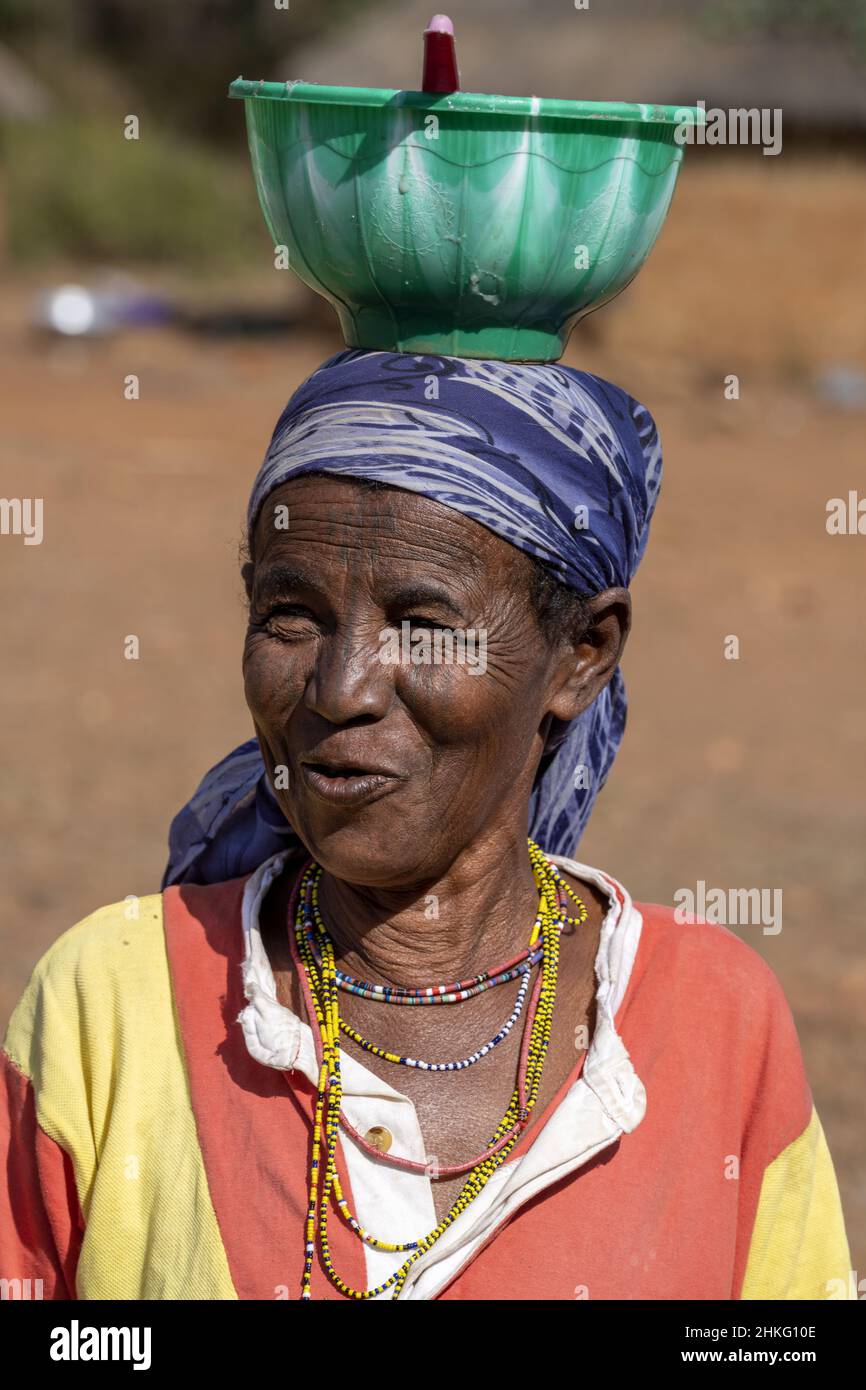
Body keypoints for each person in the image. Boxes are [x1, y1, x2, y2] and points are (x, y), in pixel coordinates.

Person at [0, 351, 853, 1300]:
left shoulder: (713, 1021)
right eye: (291, 615)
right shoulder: (113, 1007)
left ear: (582, 654)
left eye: (423, 625)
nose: (340, 690)